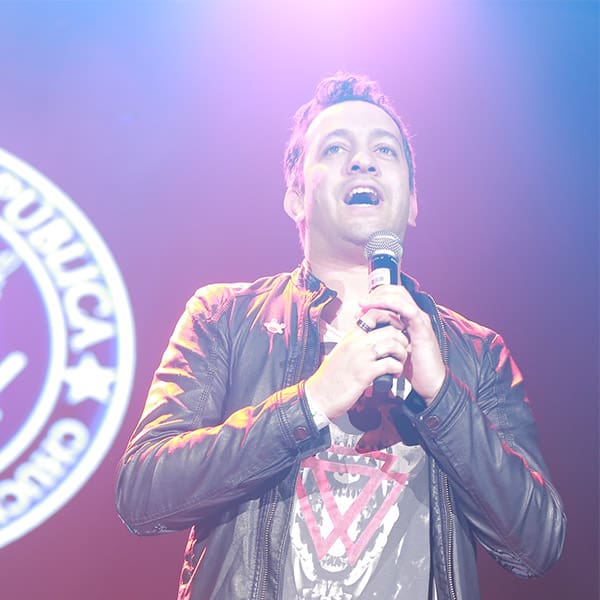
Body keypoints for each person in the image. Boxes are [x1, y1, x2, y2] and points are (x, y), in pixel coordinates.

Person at [115, 73, 566, 600]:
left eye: (384, 150)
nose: (363, 161)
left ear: (412, 202)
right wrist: (310, 403)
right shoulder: (225, 317)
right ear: (295, 198)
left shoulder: (477, 353)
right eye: (335, 148)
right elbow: (144, 492)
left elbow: (537, 545)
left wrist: (443, 397)